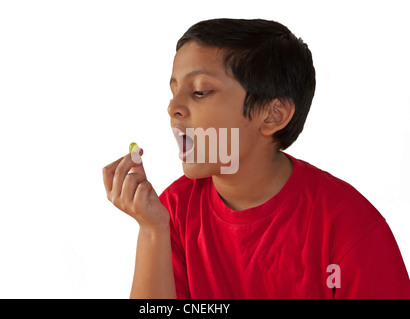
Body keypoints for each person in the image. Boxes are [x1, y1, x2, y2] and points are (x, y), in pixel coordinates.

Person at [102, 18, 410, 298]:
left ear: (272, 115)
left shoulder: (349, 227)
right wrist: (151, 229)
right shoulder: (173, 212)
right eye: (174, 92)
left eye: (199, 91)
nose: (173, 108)